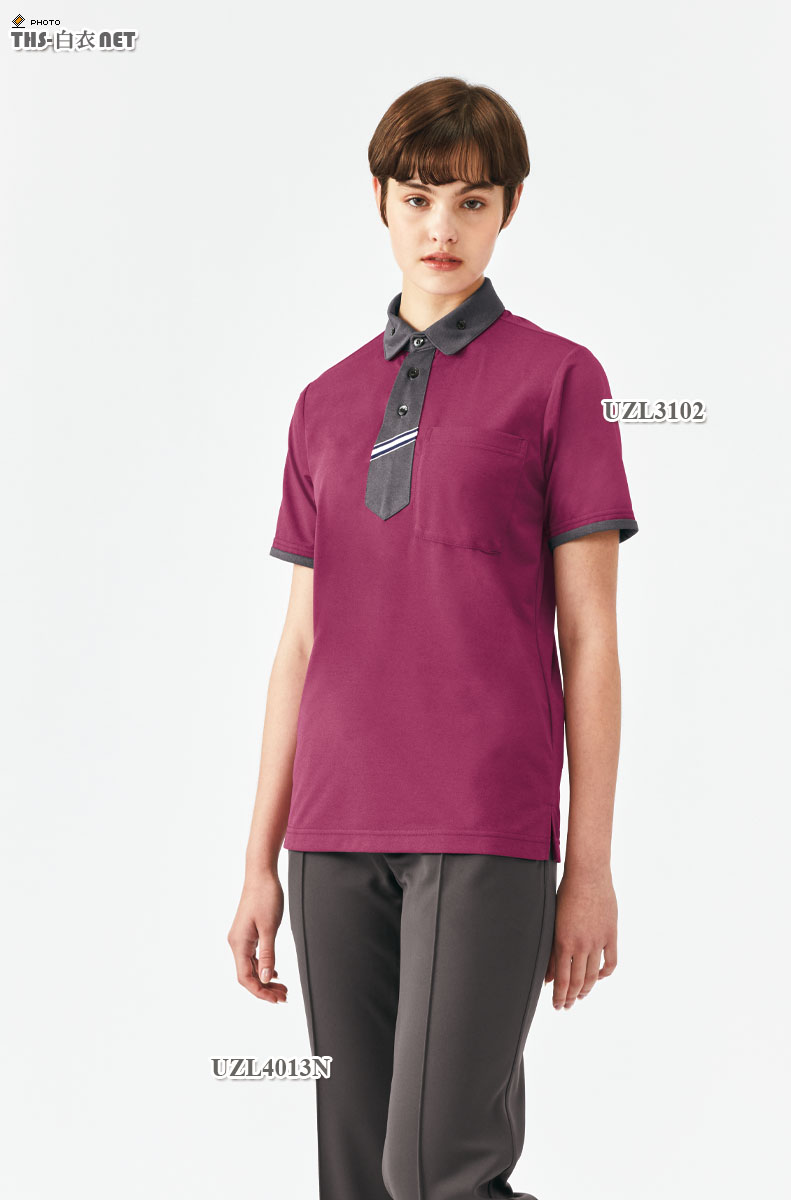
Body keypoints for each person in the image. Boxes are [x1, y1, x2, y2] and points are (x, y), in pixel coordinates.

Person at [228, 75, 639, 1200]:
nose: (441, 227)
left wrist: (590, 867)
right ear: (380, 201)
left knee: (436, 1171)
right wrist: (258, 861)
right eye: (417, 197)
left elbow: (591, 637)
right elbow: (300, 646)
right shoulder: (321, 403)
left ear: (509, 208)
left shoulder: (564, 381)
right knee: (358, 1178)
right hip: (331, 831)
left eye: (471, 201)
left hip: (483, 821)